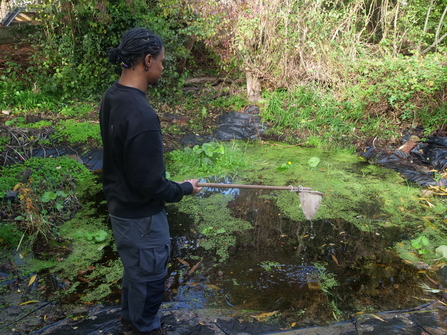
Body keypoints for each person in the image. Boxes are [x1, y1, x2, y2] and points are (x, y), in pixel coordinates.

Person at [99, 27, 202, 335]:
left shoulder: (112, 96)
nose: (162, 67)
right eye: (160, 61)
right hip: (141, 219)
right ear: (146, 61)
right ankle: (144, 328)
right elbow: (152, 185)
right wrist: (185, 188)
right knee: (151, 277)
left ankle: (129, 321)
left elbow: (135, 169)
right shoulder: (142, 115)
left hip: (120, 210)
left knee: (135, 271)